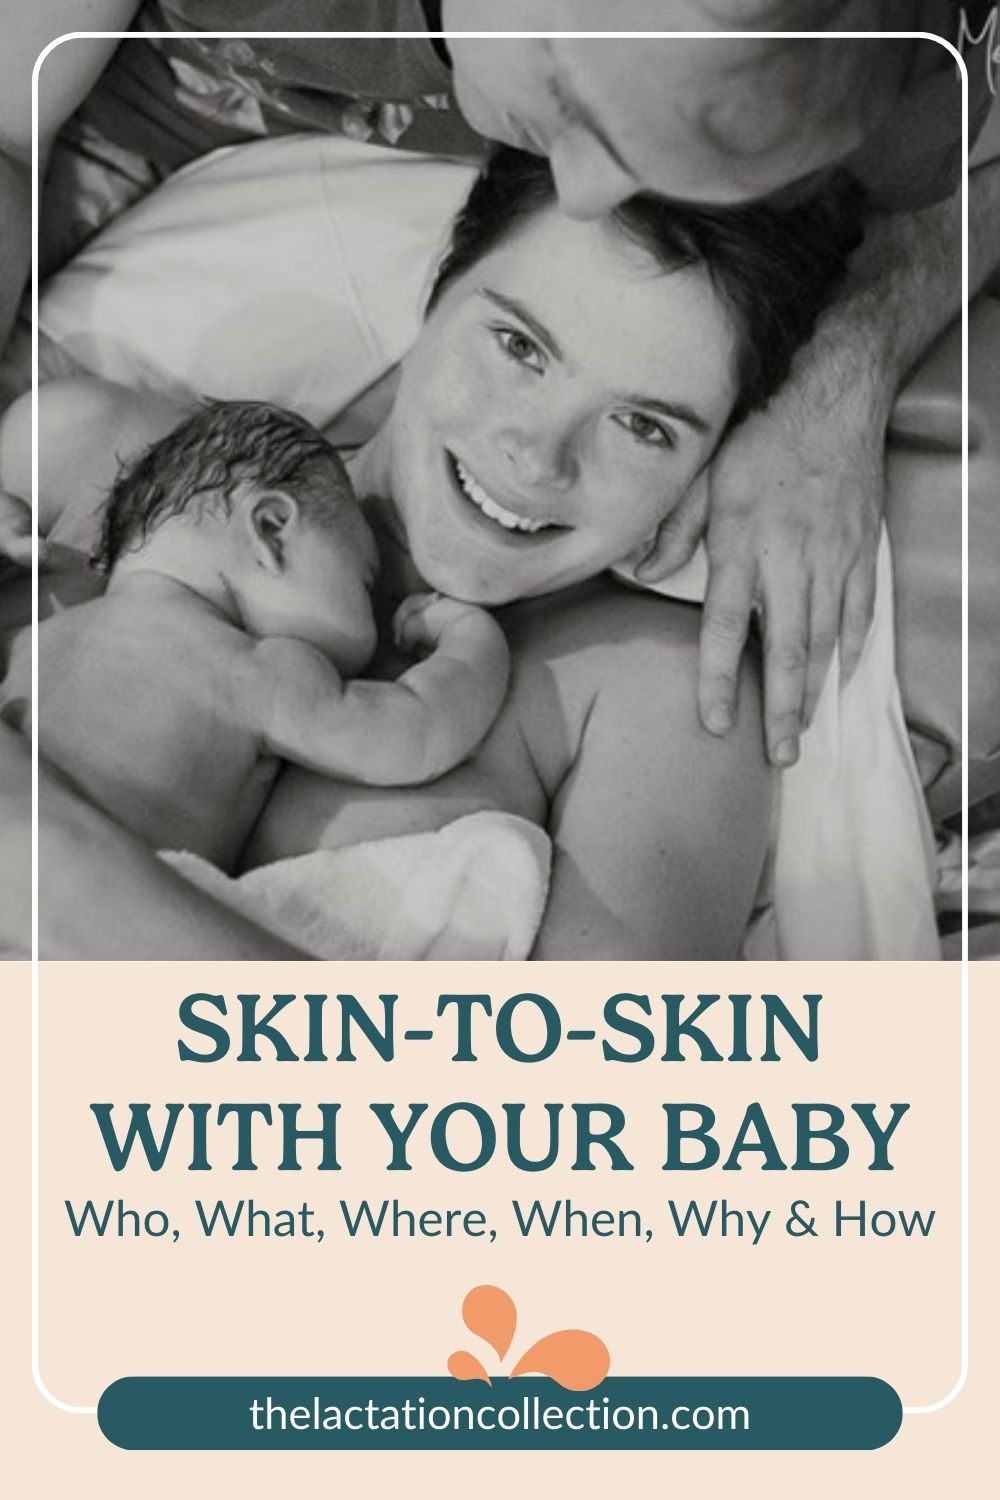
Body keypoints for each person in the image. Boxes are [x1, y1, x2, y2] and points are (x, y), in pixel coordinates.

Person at [0, 1, 994, 770]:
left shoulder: (889, 76)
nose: (591, 187)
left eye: (690, 161)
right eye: (575, 103)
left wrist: (842, 373)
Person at [0, 146, 867, 960]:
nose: (537, 456)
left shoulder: (661, 697)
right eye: (520, 347)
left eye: (644, 426)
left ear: (710, 463)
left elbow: (601, 1102)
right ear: (438, 292)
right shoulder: (142, 478)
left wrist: (63, 871)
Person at [0, 396, 510, 869]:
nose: (377, 617)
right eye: (364, 579)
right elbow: (417, 735)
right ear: (271, 529)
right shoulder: (253, 670)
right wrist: (472, 638)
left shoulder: (34, 633)